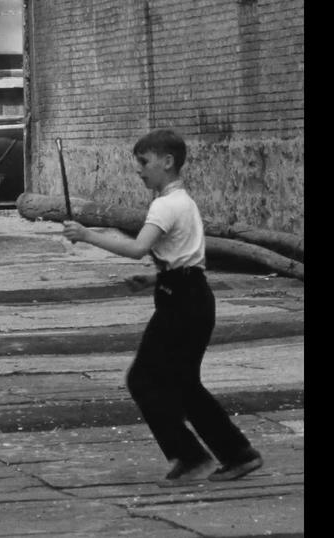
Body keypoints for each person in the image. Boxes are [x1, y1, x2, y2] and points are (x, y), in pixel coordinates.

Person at [62, 129, 263, 487]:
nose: (139, 171)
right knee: (184, 384)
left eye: (144, 162)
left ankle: (191, 458)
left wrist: (87, 234)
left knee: (143, 380)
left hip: (182, 304)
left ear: (167, 162)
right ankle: (237, 454)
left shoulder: (166, 205)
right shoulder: (183, 202)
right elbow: (189, 260)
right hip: (189, 295)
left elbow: (139, 249)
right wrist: (155, 280)